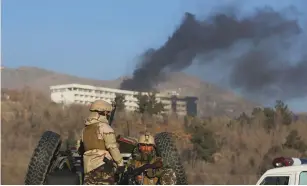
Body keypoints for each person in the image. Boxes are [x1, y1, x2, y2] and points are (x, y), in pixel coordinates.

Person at [78, 100, 124, 185]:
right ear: (104, 113)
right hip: (103, 166)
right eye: (108, 113)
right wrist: (120, 163)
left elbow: (79, 149)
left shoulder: (84, 130)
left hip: (88, 167)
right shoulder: (104, 127)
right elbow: (112, 147)